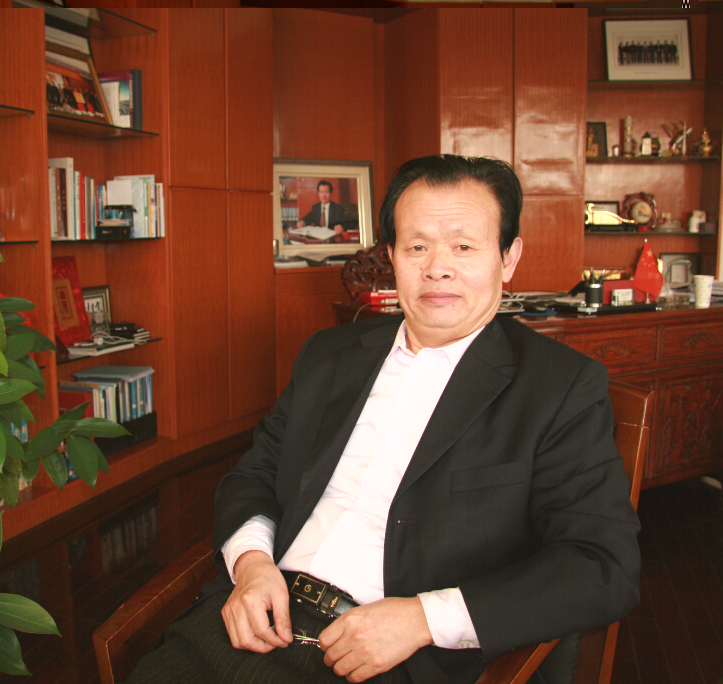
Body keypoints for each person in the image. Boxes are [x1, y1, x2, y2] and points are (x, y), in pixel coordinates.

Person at [128, 155, 641, 684]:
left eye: (464, 247)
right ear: (391, 256)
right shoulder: (330, 354)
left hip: (389, 662)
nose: (437, 267)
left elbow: (602, 565)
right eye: (417, 247)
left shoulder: (558, 387)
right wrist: (252, 564)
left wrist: (422, 619)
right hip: (248, 619)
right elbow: (255, 473)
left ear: (508, 258)